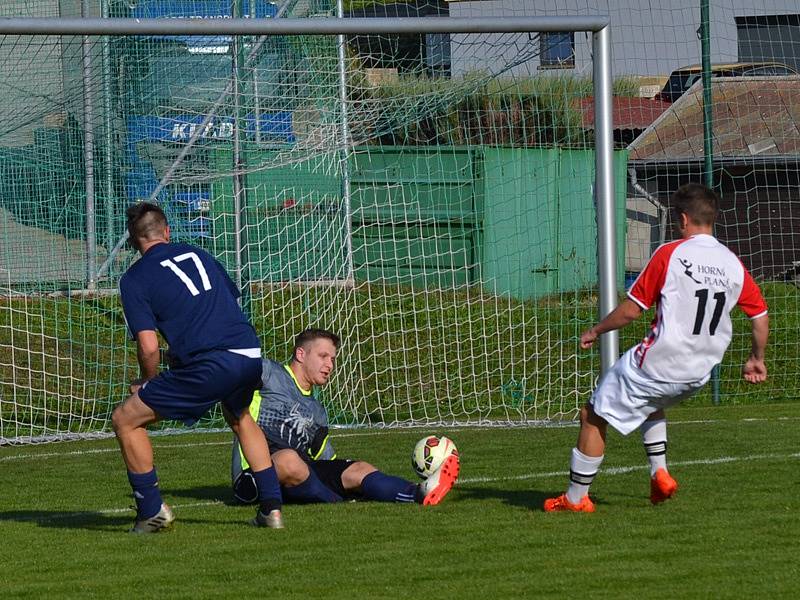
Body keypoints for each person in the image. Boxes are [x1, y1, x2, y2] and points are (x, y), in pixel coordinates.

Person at [544, 182, 769, 513]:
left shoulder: (671, 253)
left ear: (682, 218)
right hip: (699, 372)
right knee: (652, 401)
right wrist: (756, 359)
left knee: (592, 416)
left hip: (659, 362)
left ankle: (576, 499)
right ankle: (659, 473)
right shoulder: (731, 262)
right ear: (713, 218)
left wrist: (596, 329)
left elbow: (633, 309)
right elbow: (760, 317)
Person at [113, 202, 284, 532]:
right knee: (241, 417)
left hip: (213, 361)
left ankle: (151, 512)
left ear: (134, 241)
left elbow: (148, 347)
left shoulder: (134, 279)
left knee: (125, 420)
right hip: (249, 352)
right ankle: (272, 509)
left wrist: (148, 381)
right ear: (167, 231)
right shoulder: (198, 254)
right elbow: (225, 305)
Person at [231, 328, 460, 506]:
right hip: (254, 476)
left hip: (300, 475)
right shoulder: (270, 373)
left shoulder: (317, 411)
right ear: (300, 354)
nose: (329, 365)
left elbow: (326, 460)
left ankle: (418, 492)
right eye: (323, 356)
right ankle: (332, 500)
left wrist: (345, 478)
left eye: (332, 359)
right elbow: (234, 370)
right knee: (290, 460)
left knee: (359, 468)